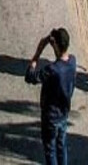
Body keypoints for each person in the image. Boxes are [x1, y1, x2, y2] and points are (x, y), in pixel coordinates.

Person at [25, 28, 78, 165]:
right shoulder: (72, 62)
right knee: (61, 148)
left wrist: (38, 53)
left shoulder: (52, 70)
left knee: (50, 150)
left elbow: (30, 77)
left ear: (55, 45)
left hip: (50, 118)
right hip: (64, 114)